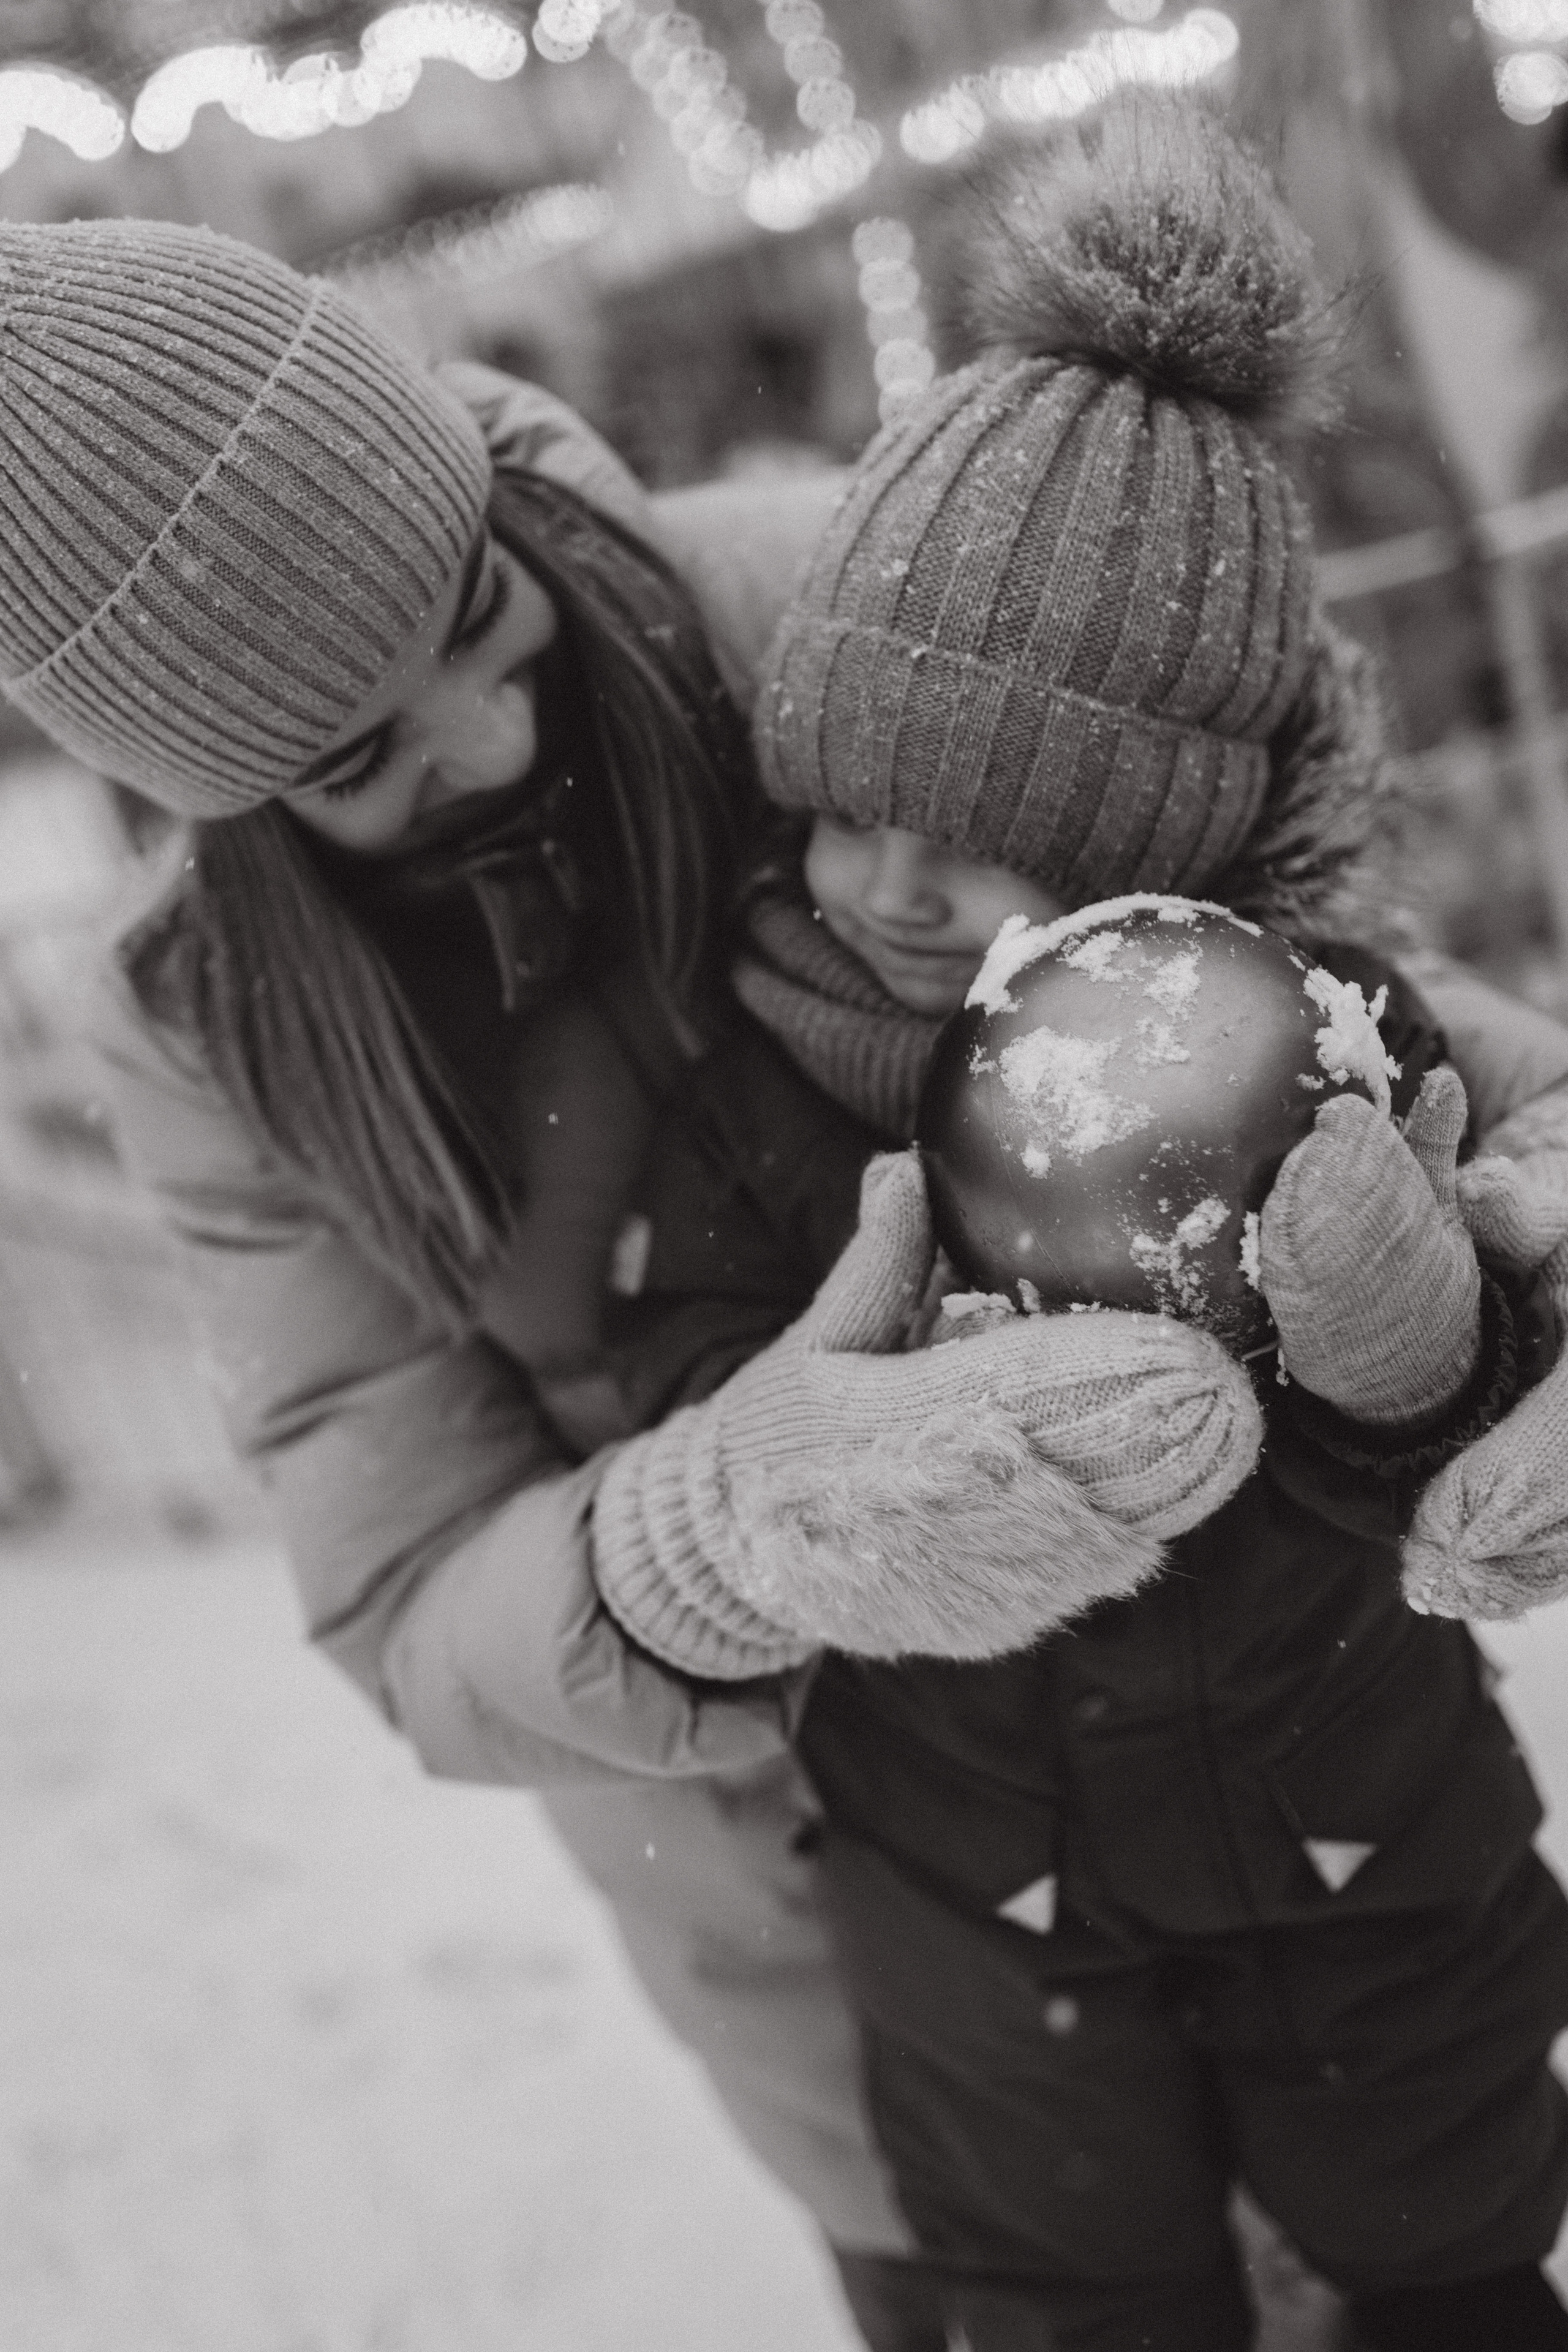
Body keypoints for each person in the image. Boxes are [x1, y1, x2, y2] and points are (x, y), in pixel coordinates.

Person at [0, 213, 1275, 2351]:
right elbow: (405, 1591)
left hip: (1268, 1762)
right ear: (205, 802)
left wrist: (1482, 1219)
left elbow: (1282, 951)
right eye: (353, 761)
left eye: (475, 622)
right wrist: (706, 1538)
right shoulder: (210, 1024)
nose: (485, 751)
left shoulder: (809, 594)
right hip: (840, 1961)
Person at [576, 99, 1568, 2351]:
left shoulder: (1318, 1040)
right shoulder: (744, 1068)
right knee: (1064, 2307)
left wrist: (1413, 1348)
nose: (895, 888)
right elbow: (676, 1401)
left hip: (1361, 1845)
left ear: (1171, 852)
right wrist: (804, 1463)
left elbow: (1465, 1403)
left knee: (1446, 2267)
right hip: (978, 1905)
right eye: (850, 804)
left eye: (993, 838)